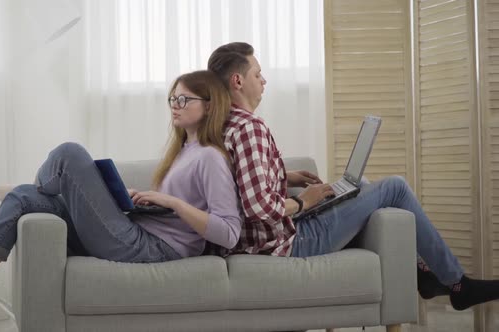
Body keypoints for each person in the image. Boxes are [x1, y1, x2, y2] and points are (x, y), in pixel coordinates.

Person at [0, 70, 242, 319]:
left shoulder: (211, 156)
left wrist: (171, 201)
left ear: (210, 107)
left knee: (69, 154)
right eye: (173, 98)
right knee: (22, 201)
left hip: (155, 250)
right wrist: (138, 199)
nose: (175, 105)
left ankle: (38, 187)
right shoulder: (185, 151)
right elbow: (170, 215)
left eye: (184, 99)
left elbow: (228, 233)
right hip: (139, 232)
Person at [206, 41, 499, 311]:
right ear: (238, 81)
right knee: (395, 186)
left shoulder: (226, 124)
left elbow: (243, 179)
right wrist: (304, 202)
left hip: (262, 241)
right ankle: (458, 285)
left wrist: (286, 175)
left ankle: (421, 272)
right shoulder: (249, 128)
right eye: (258, 74)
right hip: (285, 244)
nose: (264, 80)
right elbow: (257, 208)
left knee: (361, 187)